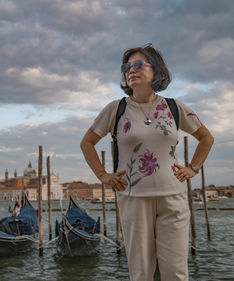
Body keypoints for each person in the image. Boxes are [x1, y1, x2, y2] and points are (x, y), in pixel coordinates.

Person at [80, 44, 213, 281]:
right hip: (133, 200)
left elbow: (206, 138)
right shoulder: (116, 109)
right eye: (127, 67)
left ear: (157, 71)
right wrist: (103, 175)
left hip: (173, 198)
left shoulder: (174, 107)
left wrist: (193, 168)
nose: (131, 70)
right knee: (141, 273)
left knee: (176, 273)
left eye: (138, 64)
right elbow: (87, 143)